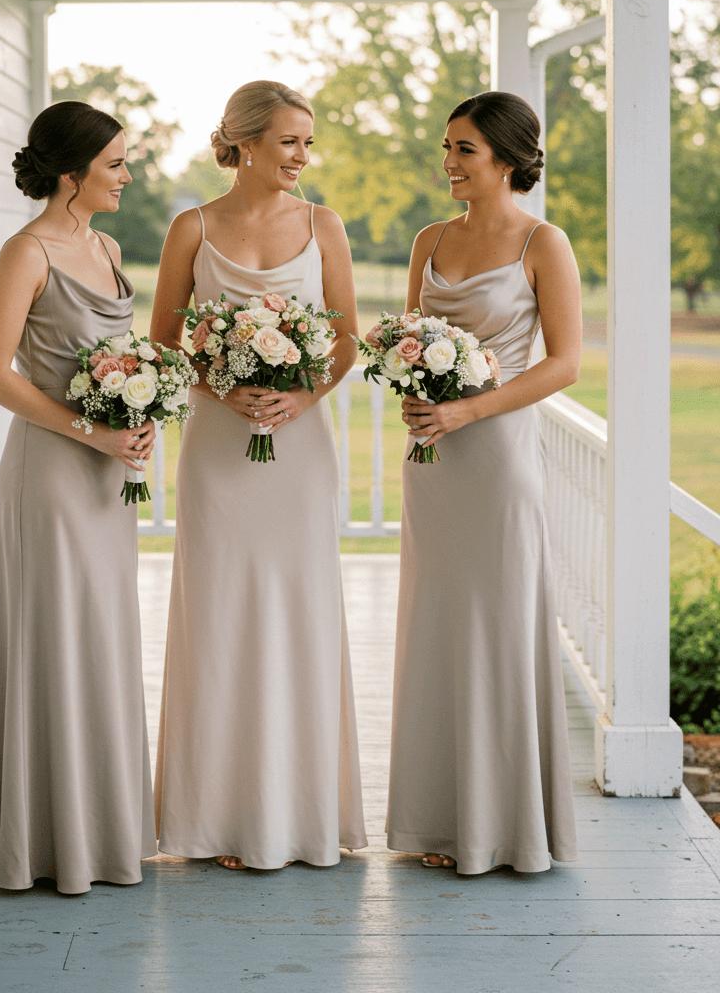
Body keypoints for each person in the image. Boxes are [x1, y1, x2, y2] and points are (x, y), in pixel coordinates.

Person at [150, 81, 367, 870]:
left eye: (308, 143)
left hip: (300, 448)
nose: (303, 158)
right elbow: (168, 341)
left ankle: (301, 820)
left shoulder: (323, 225)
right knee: (218, 616)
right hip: (216, 445)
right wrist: (223, 387)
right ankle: (216, 822)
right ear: (242, 143)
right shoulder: (192, 228)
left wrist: (299, 394)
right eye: (289, 143)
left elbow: (344, 340)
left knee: (300, 613)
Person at [0, 101, 156, 894]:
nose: (127, 174)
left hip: (108, 468)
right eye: (114, 163)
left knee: (100, 640)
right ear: (70, 175)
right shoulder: (26, 252)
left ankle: (100, 835)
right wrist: (92, 432)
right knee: (53, 640)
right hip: (51, 470)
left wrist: (139, 417)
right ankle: (44, 847)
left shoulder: (105, 246)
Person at [387, 91, 580, 875]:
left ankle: (506, 828)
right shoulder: (429, 238)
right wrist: (411, 385)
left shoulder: (544, 241)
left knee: (498, 630)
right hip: (430, 463)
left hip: (496, 459)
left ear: (505, 156)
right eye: (447, 148)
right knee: (434, 628)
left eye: (463, 149)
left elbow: (564, 363)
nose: (449, 163)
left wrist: (469, 414)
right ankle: (440, 821)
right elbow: (407, 334)